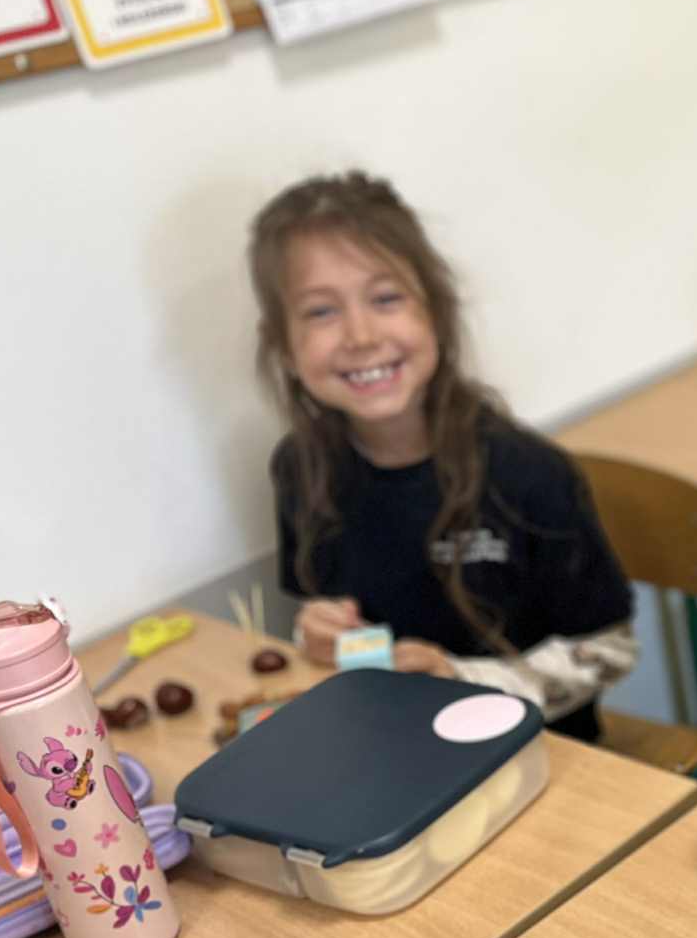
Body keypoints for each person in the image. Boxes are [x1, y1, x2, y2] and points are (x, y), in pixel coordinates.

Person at [253, 172, 635, 741]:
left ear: (435, 310)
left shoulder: (529, 474)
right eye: (320, 312)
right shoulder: (298, 468)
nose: (360, 335)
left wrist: (461, 679)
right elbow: (327, 613)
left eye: (386, 299)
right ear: (284, 346)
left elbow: (609, 649)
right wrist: (316, 630)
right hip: (388, 741)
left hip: (539, 748)